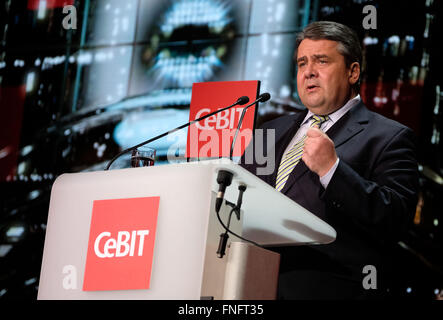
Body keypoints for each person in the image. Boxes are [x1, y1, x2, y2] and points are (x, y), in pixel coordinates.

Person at [240, 21, 419, 299]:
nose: (309, 71)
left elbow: (393, 220)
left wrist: (332, 170)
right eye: (302, 63)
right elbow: (240, 203)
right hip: (249, 285)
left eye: (321, 61)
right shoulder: (268, 131)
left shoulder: (389, 137)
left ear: (353, 71)